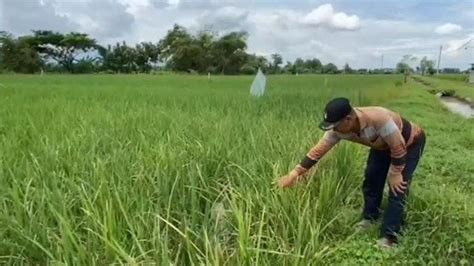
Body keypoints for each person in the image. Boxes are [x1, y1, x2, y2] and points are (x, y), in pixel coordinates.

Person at [277, 97, 426, 248]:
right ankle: (370, 217)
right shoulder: (338, 130)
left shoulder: (379, 119)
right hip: (381, 146)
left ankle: (389, 236)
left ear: (348, 119)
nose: (333, 130)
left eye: (335, 126)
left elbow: (398, 147)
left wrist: (395, 173)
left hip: (409, 143)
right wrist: (295, 174)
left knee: (398, 187)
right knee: (372, 178)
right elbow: (318, 150)